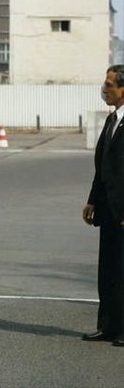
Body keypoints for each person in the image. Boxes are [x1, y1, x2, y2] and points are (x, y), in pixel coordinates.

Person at [82, 64, 124, 346]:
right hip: (108, 208)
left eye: (110, 85)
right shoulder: (112, 121)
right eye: (105, 83)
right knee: (108, 269)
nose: (104, 89)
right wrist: (92, 200)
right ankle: (108, 326)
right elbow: (103, 167)